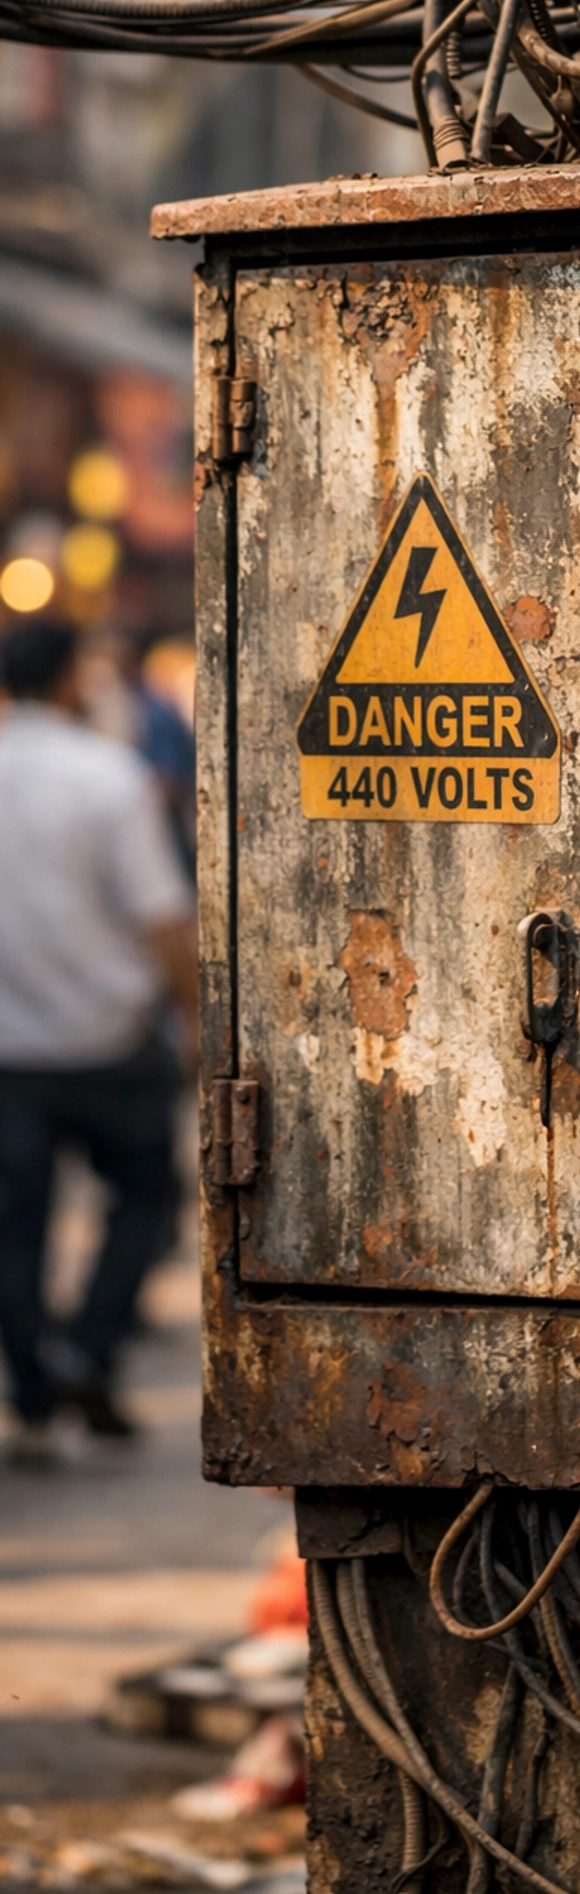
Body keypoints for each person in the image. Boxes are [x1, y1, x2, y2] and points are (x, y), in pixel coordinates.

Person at [0, 617, 196, 1458]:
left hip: (10, 1051)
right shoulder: (108, 777)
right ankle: (88, 1348)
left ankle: (34, 1396)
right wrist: (195, 1015)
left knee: (16, 1230)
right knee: (147, 1198)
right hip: (111, 1040)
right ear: (71, 680)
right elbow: (162, 917)